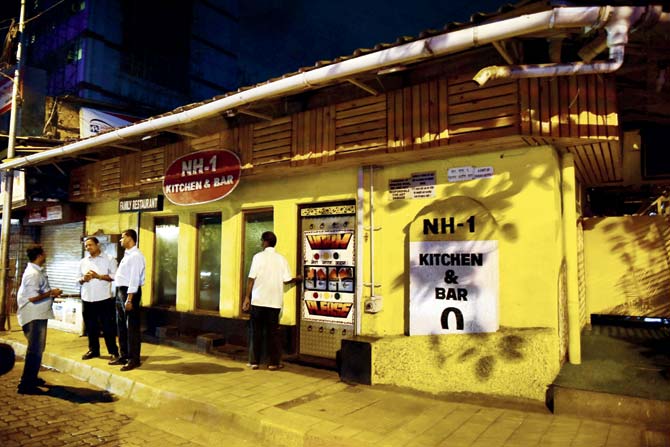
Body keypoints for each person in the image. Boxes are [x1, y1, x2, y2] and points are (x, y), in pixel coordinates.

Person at [242, 231, 299, 370]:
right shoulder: (282, 259)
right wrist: (298, 279)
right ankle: (273, 363)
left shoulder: (258, 257)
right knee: (273, 334)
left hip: (258, 301)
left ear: (265, 242)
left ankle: (254, 362)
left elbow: (251, 278)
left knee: (256, 333)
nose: (261, 243)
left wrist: (247, 297)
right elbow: (287, 280)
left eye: (262, 241)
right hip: (274, 303)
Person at [16, 245, 62, 394]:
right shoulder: (32, 274)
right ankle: (26, 384)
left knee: (37, 349)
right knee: (34, 350)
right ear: (40, 255)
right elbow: (33, 297)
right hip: (33, 316)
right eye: (44, 253)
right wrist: (51, 293)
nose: (46, 255)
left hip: (39, 314)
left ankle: (32, 377)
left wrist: (50, 293)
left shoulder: (36, 272)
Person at [78, 236, 119, 362]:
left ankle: (113, 352)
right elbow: (77, 279)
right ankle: (93, 350)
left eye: (90, 245)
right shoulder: (83, 262)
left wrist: (98, 276)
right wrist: (83, 279)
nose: (88, 248)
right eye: (86, 246)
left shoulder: (109, 259)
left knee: (107, 327)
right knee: (90, 327)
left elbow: (115, 276)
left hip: (103, 299)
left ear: (98, 245)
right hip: (87, 298)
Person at [110, 229, 145, 371]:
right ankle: (124, 355)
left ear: (130, 238)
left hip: (129, 293)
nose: (120, 240)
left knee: (132, 328)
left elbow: (134, 279)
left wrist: (129, 299)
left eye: (122, 237)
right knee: (121, 326)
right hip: (121, 292)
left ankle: (134, 359)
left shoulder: (136, 256)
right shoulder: (127, 255)